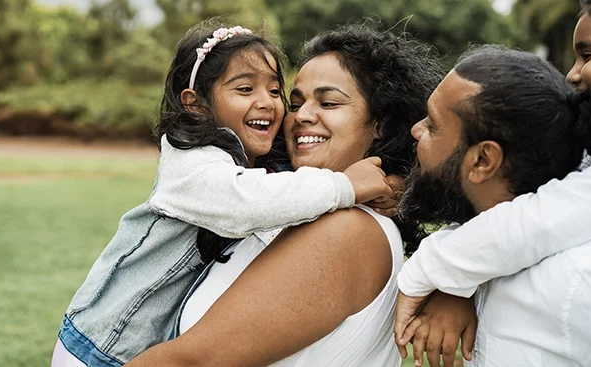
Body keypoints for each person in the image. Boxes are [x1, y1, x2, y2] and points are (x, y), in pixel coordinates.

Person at [51, 20, 395, 367]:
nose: (272, 105)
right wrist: (346, 186)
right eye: (245, 89)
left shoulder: (269, 175)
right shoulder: (193, 165)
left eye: (275, 92)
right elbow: (248, 203)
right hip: (101, 345)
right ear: (197, 105)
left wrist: (392, 183)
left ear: (380, 122)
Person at [123, 23, 444, 367]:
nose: (301, 116)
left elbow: (191, 362)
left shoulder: (348, 231)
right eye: (295, 102)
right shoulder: (291, 202)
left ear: (380, 123)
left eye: (329, 102)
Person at [394, 1, 591, 364]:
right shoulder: (581, 169)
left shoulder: (571, 284)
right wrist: (459, 282)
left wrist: (431, 271)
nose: (572, 74)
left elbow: (545, 218)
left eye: (589, 54)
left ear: (484, 159)